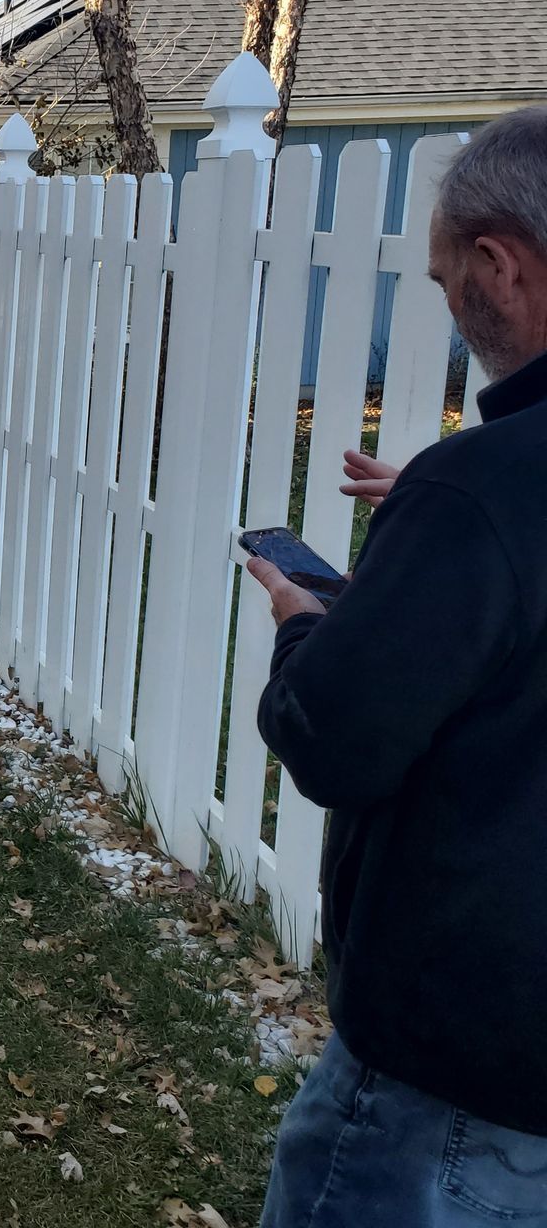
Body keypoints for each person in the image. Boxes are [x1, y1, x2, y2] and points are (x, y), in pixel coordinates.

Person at [245, 107, 547, 1226]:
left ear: (497, 265)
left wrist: (302, 619)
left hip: (452, 1084)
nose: (450, 309)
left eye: (443, 282)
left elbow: (334, 734)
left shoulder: (482, 496)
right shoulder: (484, 498)